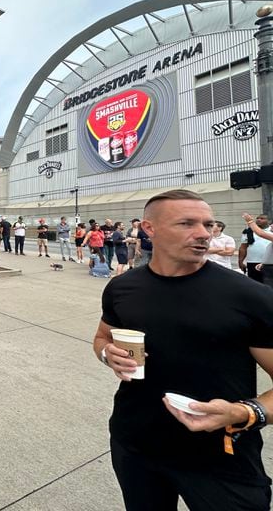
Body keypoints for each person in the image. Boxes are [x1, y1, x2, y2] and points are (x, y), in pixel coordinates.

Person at [94, 190, 273, 511]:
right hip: (135, 445)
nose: (204, 233)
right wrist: (109, 354)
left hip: (221, 458)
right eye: (186, 223)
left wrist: (243, 413)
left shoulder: (250, 297)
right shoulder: (123, 288)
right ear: (149, 229)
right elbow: (101, 338)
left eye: (207, 224)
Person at [239, 214, 271, 283]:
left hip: (269, 263)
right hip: (253, 262)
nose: (259, 220)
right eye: (257, 218)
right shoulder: (248, 231)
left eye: (262, 218)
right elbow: (243, 247)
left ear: (269, 221)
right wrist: (240, 261)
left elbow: (261, 233)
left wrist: (250, 221)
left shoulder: (271, 230)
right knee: (255, 283)